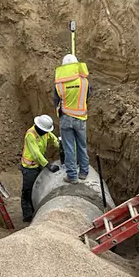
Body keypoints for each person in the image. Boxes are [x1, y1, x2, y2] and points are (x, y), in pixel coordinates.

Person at [53, 53, 90, 184]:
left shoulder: (60, 85)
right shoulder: (84, 81)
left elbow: (55, 102)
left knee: (69, 148)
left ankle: (72, 176)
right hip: (80, 118)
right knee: (82, 146)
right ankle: (84, 172)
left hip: (66, 119)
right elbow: (88, 96)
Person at [19, 115, 60, 223]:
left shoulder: (45, 132)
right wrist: (47, 165)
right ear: (38, 127)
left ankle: (35, 211)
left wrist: (59, 144)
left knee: (37, 189)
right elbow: (36, 153)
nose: (45, 132)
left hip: (38, 164)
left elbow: (53, 139)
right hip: (29, 167)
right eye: (44, 130)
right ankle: (27, 215)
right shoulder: (30, 135)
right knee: (28, 191)